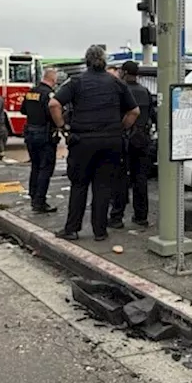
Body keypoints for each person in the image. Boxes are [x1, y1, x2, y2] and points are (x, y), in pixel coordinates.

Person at [48, 45, 139, 242]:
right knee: (103, 186)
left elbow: (54, 104)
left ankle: (72, 229)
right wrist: (121, 128)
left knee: (79, 185)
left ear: (87, 61)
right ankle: (100, 231)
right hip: (111, 142)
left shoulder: (77, 82)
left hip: (82, 141)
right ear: (104, 61)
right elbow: (134, 112)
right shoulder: (116, 83)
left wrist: (63, 127)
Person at [109, 60, 155, 229]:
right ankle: (141, 216)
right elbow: (152, 114)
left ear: (125, 73)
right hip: (142, 139)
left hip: (124, 138)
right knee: (140, 179)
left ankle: (116, 217)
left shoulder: (120, 91)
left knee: (120, 179)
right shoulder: (145, 92)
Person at [21, 68, 59, 213]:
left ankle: (33, 196)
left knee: (35, 166)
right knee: (46, 168)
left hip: (30, 133)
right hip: (44, 134)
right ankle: (40, 201)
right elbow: (52, 113)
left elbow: (23, 110)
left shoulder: (31, 92)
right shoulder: (49, 94)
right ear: (53, 80)